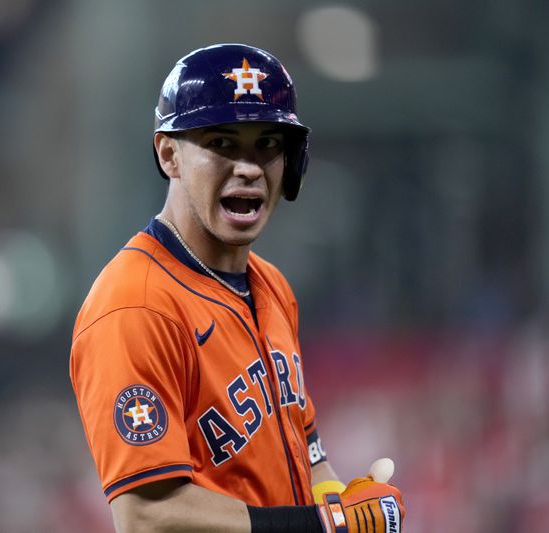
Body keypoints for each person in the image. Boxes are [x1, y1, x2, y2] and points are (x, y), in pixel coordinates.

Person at [70, 43, 405, 532]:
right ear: (169, 155)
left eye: (268, 144)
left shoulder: (272, 286)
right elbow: (146, 516)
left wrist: (345, 503)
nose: (248, 167)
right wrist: (325, 526)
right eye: (222, 144)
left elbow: (307, 457)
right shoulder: (134, 306)